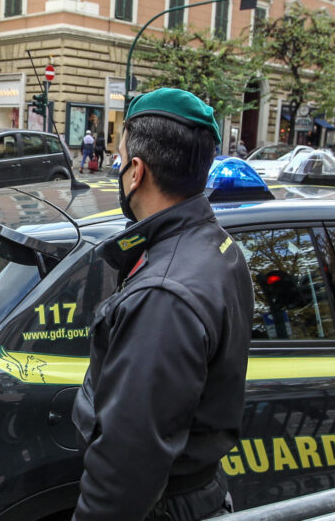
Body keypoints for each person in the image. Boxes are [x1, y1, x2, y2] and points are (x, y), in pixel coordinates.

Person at [71, 88, 254, 521]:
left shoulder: (163, 295)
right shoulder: (214, 244)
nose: (117, 169)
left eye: (119, 159)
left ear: (136, 171)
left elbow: (126, 470)